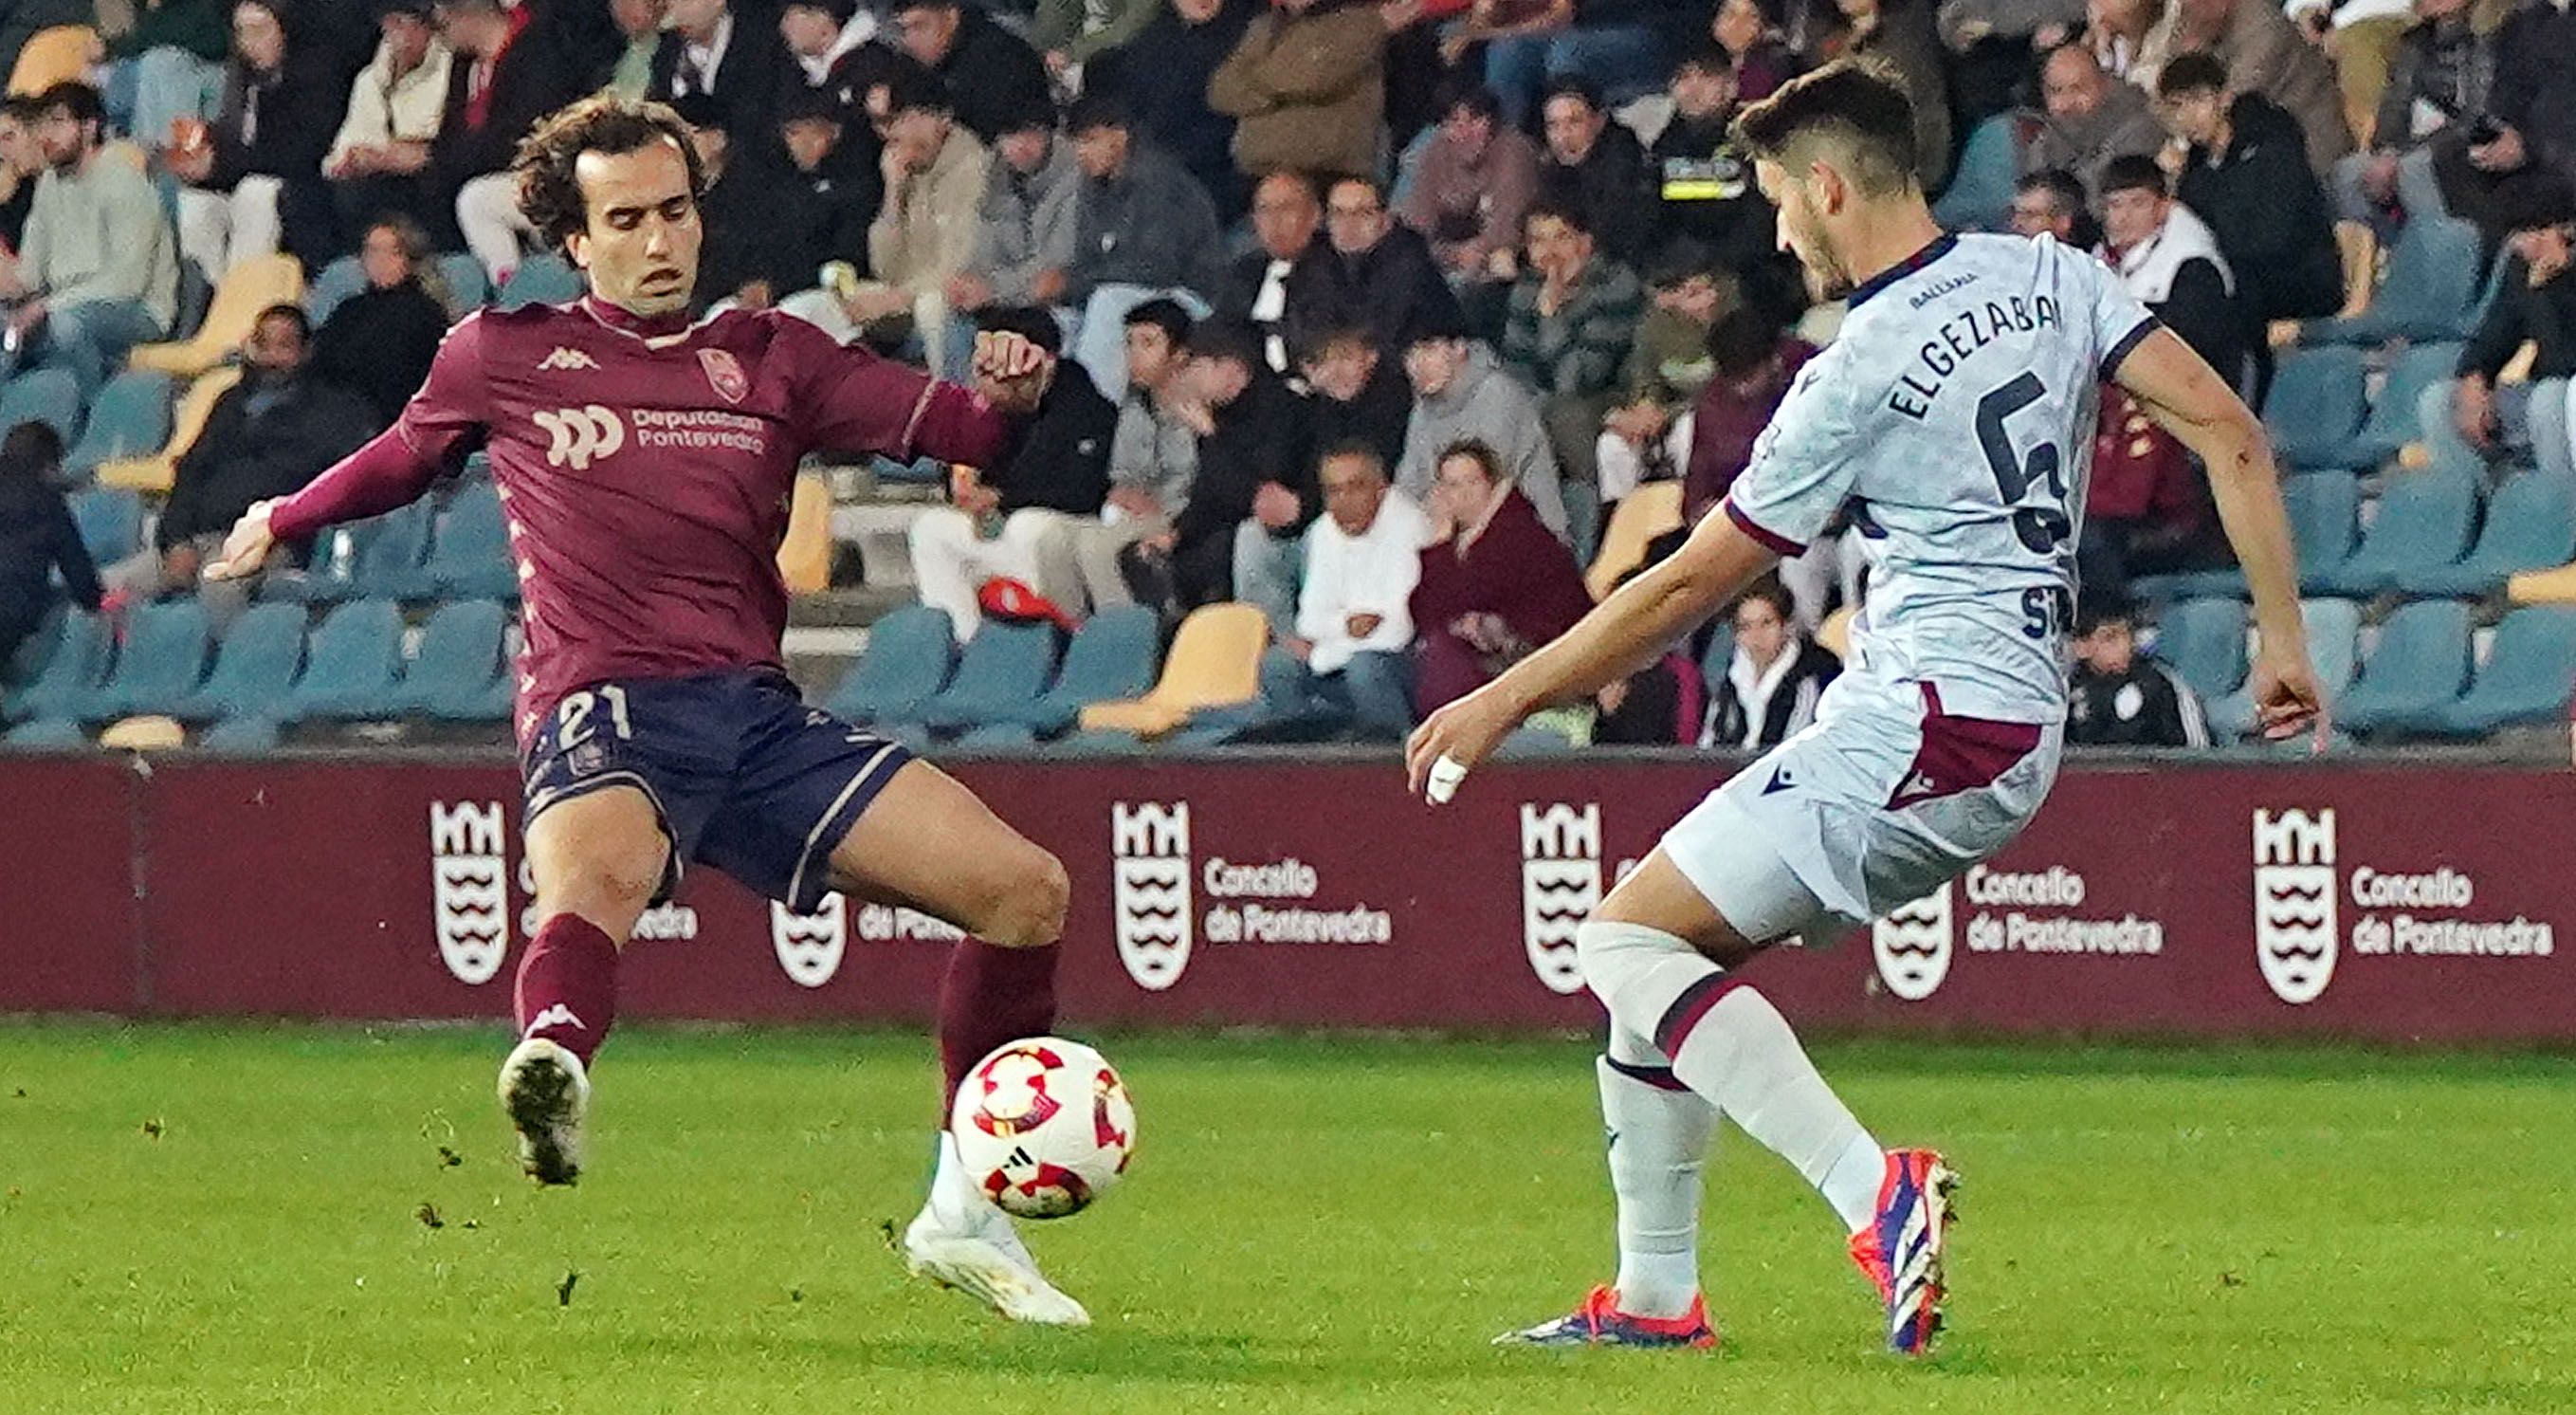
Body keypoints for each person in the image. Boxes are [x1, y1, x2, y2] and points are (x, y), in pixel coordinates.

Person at [1407, 61, 2320, 1355]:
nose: (1780, 232)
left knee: (1617, 946)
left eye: (1782, 202)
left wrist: (1502, 697)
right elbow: (2229, 427)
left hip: (1931, 718)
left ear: (1829, 187)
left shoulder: (1855, 370)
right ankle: (1656, 1298)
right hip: (2005, 715)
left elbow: (1692, 584)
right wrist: (2280, 642)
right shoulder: (2050, 274)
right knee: (1653, 971)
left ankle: (1873, 1194)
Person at [200, 94, 1094, 1328]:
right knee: (596, 886)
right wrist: (284, 518)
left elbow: (962, 428)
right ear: (579, 237)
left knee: (1024, 891)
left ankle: (962, 1211)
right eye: (629, 219)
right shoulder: (502, 353)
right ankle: (555, 1065)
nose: (662, 238)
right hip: (604, 700)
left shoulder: (775, 357)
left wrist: (1013, 385)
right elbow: (406, 455)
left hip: (759, 721)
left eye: (676, 209)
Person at [108, 304, 378, 620]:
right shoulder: (230, 402)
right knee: (104, 588)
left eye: (284, 346)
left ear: (306, 351)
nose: (271, 357)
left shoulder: (332, 412)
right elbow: (191, 471)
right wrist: (177, 542)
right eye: (263, 344)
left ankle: (226, 665)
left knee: (219, 587)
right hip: (199, 537)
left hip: (270, 541)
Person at [907, 308, 1120, 637]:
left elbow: (1083, 490)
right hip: (999, 525)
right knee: (930, 529)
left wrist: (1004, 496)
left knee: (1029, 526)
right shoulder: (987, 403)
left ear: (1045, 359)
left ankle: (1044, 638)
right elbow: (957, 467)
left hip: (1061, 530)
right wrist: (961, 483)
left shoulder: (1087, 408)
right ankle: (964, 643)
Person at [787, 72, 988, 375]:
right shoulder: (906, 170)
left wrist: (899, 298)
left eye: (906, 119)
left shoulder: (974, 168)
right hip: (899, 299)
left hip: (952, 307)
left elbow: (959, 266)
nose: (895, 133)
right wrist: (893, 192)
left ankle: (953, 408)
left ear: (941, 119)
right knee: (805, 310)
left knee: (932, 306)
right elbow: (885, 267)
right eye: (891, 123)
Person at [0, 83, 181, 401]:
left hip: (137, 309)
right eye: (43, 125)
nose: (47, 135)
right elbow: (31, 273)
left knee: (66, 326)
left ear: (89, 127)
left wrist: (46, 306)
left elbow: (127, 283)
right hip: (63, 304)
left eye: (57, 122)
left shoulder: (123, 181)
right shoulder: (49, 186)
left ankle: (92, 407)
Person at [2157, 54, 2341, 353]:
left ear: (2225, 98)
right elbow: (2192, 233)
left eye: (2197, 101)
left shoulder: (2273, 140)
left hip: (2299, 274)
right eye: (2177, 106)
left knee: (2220, 299)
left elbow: (2273, 234)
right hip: (2240, 275)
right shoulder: (2196, 166)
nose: (2187, 116)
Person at [1501, 199, 1644, 564]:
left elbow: (1578, 378)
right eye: (1537, 241)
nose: (1549, 252)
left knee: (1563, 414)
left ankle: (1592, 544)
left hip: (1614, 398)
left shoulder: (1614, 284)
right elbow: (1517, 370)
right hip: (1549, 406)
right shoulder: (1524, 291)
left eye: (1561, 238)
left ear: (1585, 242)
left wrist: (1553, 316)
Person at [1408, 435, 1592, 715]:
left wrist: (1439, 549)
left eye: (1473, 482)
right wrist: (1441, 544)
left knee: (1443, 657)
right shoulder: (1458, 543)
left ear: (1492, 484)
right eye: (1453, 485)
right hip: (1480, 662)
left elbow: (1466, 598)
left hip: (1539, 656)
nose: (1465, 493)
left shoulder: (1519, 533)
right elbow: (1426, 615)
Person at [1061, 91, 1226, 399]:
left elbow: (1155, 268)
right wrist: (1067, 286)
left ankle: (1098, 416)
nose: (1083, 152)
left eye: (1091, 140)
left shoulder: (1159, 181)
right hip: (1126, 291)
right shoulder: (1091, 186)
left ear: (1120, 136)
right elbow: (1087, 260)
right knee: (1056, 323)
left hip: (1190, 294)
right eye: (1078, 143)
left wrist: (1074, 282)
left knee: (1107, 303)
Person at [2433, 171, 2576, 483]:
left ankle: (2560, 512)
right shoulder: (2522, 267)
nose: (2521, 245)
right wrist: (2474, 377)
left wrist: (2556, 285)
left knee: (2548, 400)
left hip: (2565, 393)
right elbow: (2495, 331)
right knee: (2441, 401)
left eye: (2529, 233)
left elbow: (2565, 358)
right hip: (2549, 389)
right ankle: (2479, 515)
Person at [1162, 316, 1311, 613]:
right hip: (1215, 531)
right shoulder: (1221, 415)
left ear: (1234, 369)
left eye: (1198, 365)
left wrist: (1213, 437)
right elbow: (1206, 493)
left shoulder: (1283, 412)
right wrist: (1177, 532)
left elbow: (1255, 493)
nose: (1190, 376)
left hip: (1268, 534)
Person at [434, 0, 586, 284]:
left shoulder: (537, 53)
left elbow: (523, 138)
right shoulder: (464, 66)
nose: (441, 35)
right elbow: (448, 138)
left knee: (476, 201)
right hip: (482, 175)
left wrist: (458, 157)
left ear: (465, 16)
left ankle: (511, 290)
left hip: (545, 181)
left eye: (443, 24)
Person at [1290, 439, 1430, 740]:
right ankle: (1304, 770)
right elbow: (1308, 622)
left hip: (1401, 665)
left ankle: (1394, 761)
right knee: (1278, 666)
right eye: (1333, 490)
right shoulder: (1321, 531)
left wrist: (1330, 641)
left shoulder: (1412, 527)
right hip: (1338, 661)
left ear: (1381, 488)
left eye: (1355, 487)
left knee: (1364, 669)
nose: (1343, 501)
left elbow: (1399, 631)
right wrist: (1346, 625)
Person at [1396, 305, 1570, 542]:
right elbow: (1407, 488)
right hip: (1448, 535)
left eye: (1429, 350)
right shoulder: (1421, 411)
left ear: (1459, 348)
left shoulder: (1499, 393)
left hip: (1527, 536)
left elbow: (1486, 485)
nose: (1418, 364)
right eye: (1410, 354)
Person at [2330, 0, 2495, 237]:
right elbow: (2396, 103)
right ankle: (2393, 254)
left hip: (2470, 149)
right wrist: (2386, 150)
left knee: (2414, 169)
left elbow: (2476, 119)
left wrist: (2401, 156)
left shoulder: (2491, 37)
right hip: (2414, 146)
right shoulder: (2417, 42)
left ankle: (2435, 261)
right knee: (2346, 175)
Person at [1077, 298, 1199, 613]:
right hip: (1133, 515)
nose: (1134, 354)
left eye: (1147, 343)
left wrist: (1165, 514)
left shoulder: (1199, 414)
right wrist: (1124, 494)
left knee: (1096, 547)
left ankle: (1123, 635)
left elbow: (1203, 485)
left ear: (1180, 355)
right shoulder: (1134, 407)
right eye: (1129, 343)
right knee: (1059, 540)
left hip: (1179, 519)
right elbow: (1121, 475)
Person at [2097, 154, 2246, 395]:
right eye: (2115, 205)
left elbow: (2188, 352)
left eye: (2138, 204)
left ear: (2163, 207)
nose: (2124, 217)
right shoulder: (2102, 257)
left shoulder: (2192, 266)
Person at [1098, 0, 1257, 224]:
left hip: (1227, 175)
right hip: (1162, 175)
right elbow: (1134, 116)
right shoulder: (1150, 42)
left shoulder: (1253, 30)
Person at [1597, 247, 1730, 505]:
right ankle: (1622, 522)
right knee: (1611, 445)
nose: (1708, 299)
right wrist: (1642, 409)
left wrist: (1666, 415)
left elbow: (1726, 388)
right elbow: (1646, 378)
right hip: (1663, 421)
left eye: (1709, 288)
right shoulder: (1653, 330)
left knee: (1691, 430)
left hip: (1706, 418)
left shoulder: (1731, 318)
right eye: (1694, 294)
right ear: (1666, 299)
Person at [1206, 0, 1387, 183]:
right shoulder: (1263, 26)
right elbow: (1221, 90)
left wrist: (1254, 80)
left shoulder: (1359, 22)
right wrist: (1279, 88)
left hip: (1325, 174)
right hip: (1256, 175)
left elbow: (1312, 79)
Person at [1288, 175, 1458, 366]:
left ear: (1386, 220)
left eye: (1363, 213)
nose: (1349, 223)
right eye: (1338, 213)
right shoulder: (1315, 260)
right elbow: (1303, 336)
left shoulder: (1410, 264)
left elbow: (1385, 341)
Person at [325, 1, 456, 248]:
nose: (399, 35)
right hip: (374, 177)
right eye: (390, 24)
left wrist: (405, 153)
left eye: (405, 24)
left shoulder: (450, 69)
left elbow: (442, 139)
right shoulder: (369, 80)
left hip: (428, 173)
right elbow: (347, 143)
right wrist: (351, 159)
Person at [2166, 0, 2351, 175]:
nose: (2189, 8)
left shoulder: (2264, 28)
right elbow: (2165, 95)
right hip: (2244, 152)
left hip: (2308, 147)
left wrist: (2192, 56)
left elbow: (2225, 102)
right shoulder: (2194, 20)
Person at [1399, 80, 1542, 303]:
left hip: (1509, 260)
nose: (1464, 132)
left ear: (1492, 122)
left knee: (1499, 263)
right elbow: (1415, 227)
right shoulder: (1435, 150)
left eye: (1475, 120)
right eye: (1453, 122)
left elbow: (1507, 231)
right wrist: (1451, 255)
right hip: (1451, 257)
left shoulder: (1514, 151)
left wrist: (1468, 253)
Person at [312, 217, 454, 426]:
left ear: (411, 259)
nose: (380, 260)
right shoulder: (349, 310)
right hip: (338, 411)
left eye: (392, 252)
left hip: (390, 419)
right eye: (372, 251)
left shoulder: (425, 314)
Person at [953, 99, 1080, 322]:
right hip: (1000, 302)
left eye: (1031, 134)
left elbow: (1056, 269)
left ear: (1050, 133)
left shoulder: (1075, 178)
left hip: (1060, 307)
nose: (1020, 146)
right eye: (1010, 137)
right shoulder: (995, 179)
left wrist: (994, 290)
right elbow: (981, 251)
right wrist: (968, 283)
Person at [0, 420, 97, 668]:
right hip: (12, 612)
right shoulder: (48, 503)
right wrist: (96, 602)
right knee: (59, 604)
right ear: (48, 464)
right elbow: (78, 571)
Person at [1701, 575, 1838, 748]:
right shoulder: (1730, 679)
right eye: (1745, 627)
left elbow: (1796, 745)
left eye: (1766, 623)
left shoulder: (1813, 674)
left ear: (1786, 626)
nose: (1756, 636)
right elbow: (1708, 742)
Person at [890, 0, 1053, 145]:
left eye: (921, 26)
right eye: (905, 30)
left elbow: (995, 133)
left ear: (951, 17)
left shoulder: (999, 56)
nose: (911, 40)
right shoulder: (924, 66)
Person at [647, 0, 795, 159]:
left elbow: (768, 122)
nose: (676, 11)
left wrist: (724, 140)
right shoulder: (666, 51)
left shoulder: (762, 47)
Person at [1535, 77, 1658, 265]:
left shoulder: (1625, 161)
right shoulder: (1552, 167)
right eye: (1553, 125)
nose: (1563, 136)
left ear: (1599, 121)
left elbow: (1617, 235)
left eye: (1574, 122)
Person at [2022, 41, 2166, 197]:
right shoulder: (2047, 141)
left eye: (2078, 89)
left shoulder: (2140, 127)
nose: (2065, 103)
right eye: (2055, 91)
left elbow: (2105, 203)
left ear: (2104, 84)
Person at [2066, 597, 2210, 744]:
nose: (2123, 647)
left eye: (2126, 636)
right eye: (2110, 638)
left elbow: (2197, 753)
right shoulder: (2064, 690)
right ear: (2081, 647)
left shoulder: (2161, 685)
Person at [1219, 169, 1320, 374]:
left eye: (1287, 208)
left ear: (1315, 216)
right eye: (1264, 210)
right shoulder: (1243, 273)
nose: (1275, 220)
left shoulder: (1334, 274)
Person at [1301, 321, 1413, 474]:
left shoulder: (1394, 402)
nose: (1335, 371)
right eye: (1325, 361)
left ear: (1371, 357)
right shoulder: (1321, 407)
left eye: (1346, 358)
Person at [2008, 165, 2100, 248]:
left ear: (2063, 222)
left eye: (2029, 215)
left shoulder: (2092, 263)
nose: (2016, 224)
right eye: (2014, 213)